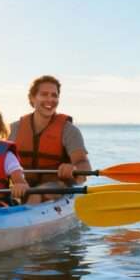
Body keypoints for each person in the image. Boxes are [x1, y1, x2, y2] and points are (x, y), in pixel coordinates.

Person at [10, 75, 91, 204]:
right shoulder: (14, 129)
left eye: (54, 95)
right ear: (32, 98)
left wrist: (74, 168)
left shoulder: (69, 131)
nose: (50, 99)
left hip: (55, 185)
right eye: (44, 94)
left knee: (35, 195)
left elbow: (83, 164)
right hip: (22, 184)